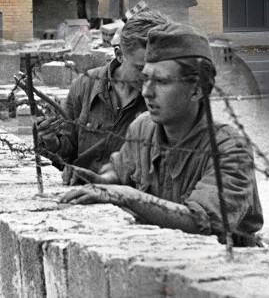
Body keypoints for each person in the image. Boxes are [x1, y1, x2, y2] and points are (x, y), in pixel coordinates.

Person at [59, 22, 264, 247]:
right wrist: (98, 181)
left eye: (162, 82)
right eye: (145, 78)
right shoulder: (143, 128)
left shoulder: (230, 149)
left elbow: (202, 222)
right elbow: (119, 171)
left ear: (197, 90)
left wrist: (124, 195)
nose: (147, 92)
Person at [36, 9, 170, 178]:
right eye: (140, 68)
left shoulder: (164, 98)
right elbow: (66, 152)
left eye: (157, 68)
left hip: (126, 197)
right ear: (119, 55)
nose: (149, 77)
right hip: (81, 190)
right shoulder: (85, 86)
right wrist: (51, 141)